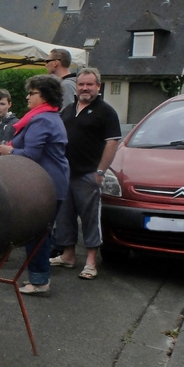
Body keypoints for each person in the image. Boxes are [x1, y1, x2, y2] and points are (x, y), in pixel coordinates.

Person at [0, 75, 69, 296]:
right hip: (50, 182)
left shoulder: (42, 119)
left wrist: (9, 151)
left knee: (37, 233)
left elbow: (32, 154)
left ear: (44, 95)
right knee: (41, 232)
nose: (27, 97)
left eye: (32, 93)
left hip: (46, 184)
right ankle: (39, 277)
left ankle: (39, 281)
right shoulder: (46, 116)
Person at [50, 67, 122, 280]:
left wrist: (100, 171)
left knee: (90, 218)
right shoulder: (68, 110)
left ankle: (91, 261)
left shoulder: (106, 112)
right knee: (65, 217)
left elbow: (112, 143)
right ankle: (68, 256)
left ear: (98, 87)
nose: (85, 88)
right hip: (65, 174)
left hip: (88, 174)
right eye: (81, 84)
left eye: (89, 84)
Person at [44, 48, 76, 116]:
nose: (46, 65)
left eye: (47, 61)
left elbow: (67, 113)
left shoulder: (66, 85)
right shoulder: (71, 82)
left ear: (55, 63)